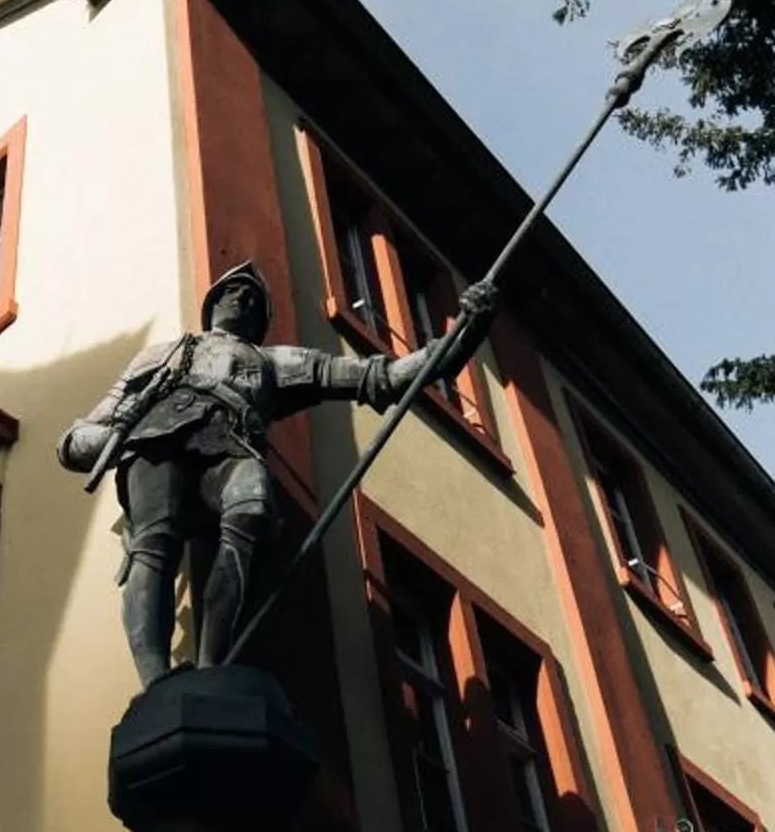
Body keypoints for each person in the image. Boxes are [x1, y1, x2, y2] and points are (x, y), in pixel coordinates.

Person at [58, 259, 493, 688]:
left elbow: (382, 377)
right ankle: (153, 677)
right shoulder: (162, 353)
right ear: (211, 305)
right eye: (232, 291)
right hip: (157, 440)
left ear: (262, 321)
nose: (242, 297)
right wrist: (95, 441)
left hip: (231, 442)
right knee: (154, 543)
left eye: (252, 298)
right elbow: (83, 433)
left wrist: (464, 334)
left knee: (253, 503)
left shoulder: (275, 362)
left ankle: (212, 664)